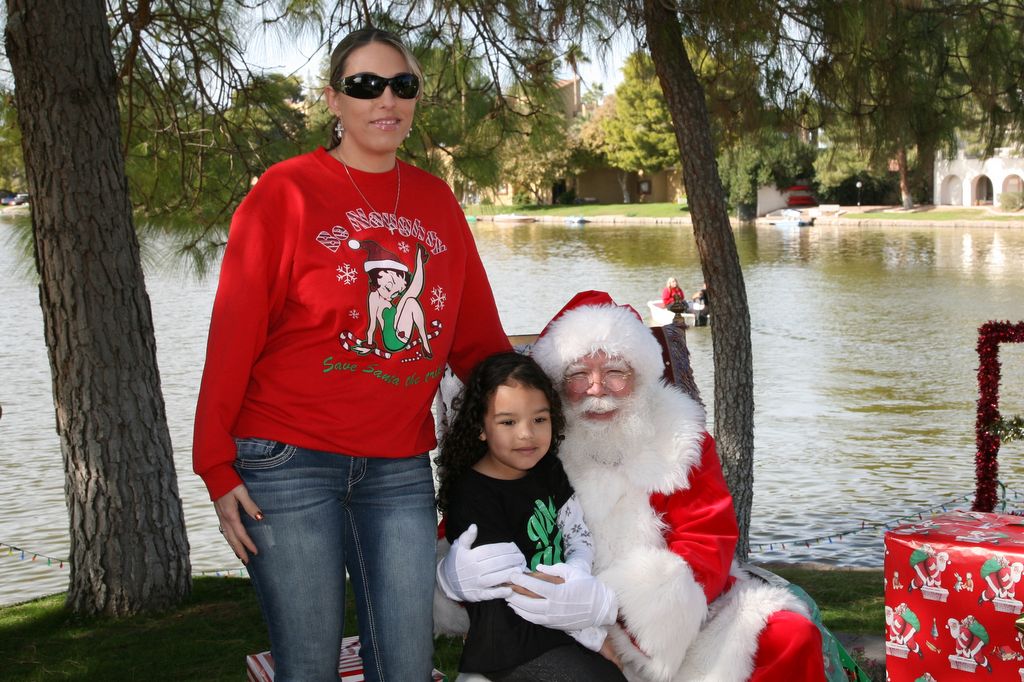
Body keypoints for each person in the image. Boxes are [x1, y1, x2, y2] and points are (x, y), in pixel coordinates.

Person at [192, 27, 510, 682]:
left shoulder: (436, 202)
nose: (385, 99)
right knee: (307, 664)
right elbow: (233, 335)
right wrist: (216, 465)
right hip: (287, 462)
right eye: (365, 86)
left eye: (402, 85)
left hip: (396, 467)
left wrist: (530, 412)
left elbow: (477, 342)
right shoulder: (285, 193)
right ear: (334, 100)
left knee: (407, 664)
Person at [440, 291, 824, 681]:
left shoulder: (678, 438)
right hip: (553, 618)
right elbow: (475, 512)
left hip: (676, 617)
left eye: (615, 373)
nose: (597, 389)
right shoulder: (534, 440)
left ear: (639, 374)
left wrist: (622, 605)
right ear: (558, 382)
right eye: (578, 375)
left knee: (788, 636)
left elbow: (708, 537)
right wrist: (448, 573)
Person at [435, 352, 625, 681]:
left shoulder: (548, 468)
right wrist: (593, 636)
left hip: (560, 627)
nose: (527, 434)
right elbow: (516, 587)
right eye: (508, 422)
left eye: (539, 419)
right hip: (510, 642)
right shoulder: (473, 496)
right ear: (481, 427)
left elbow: (577, 534)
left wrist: (576, 577)